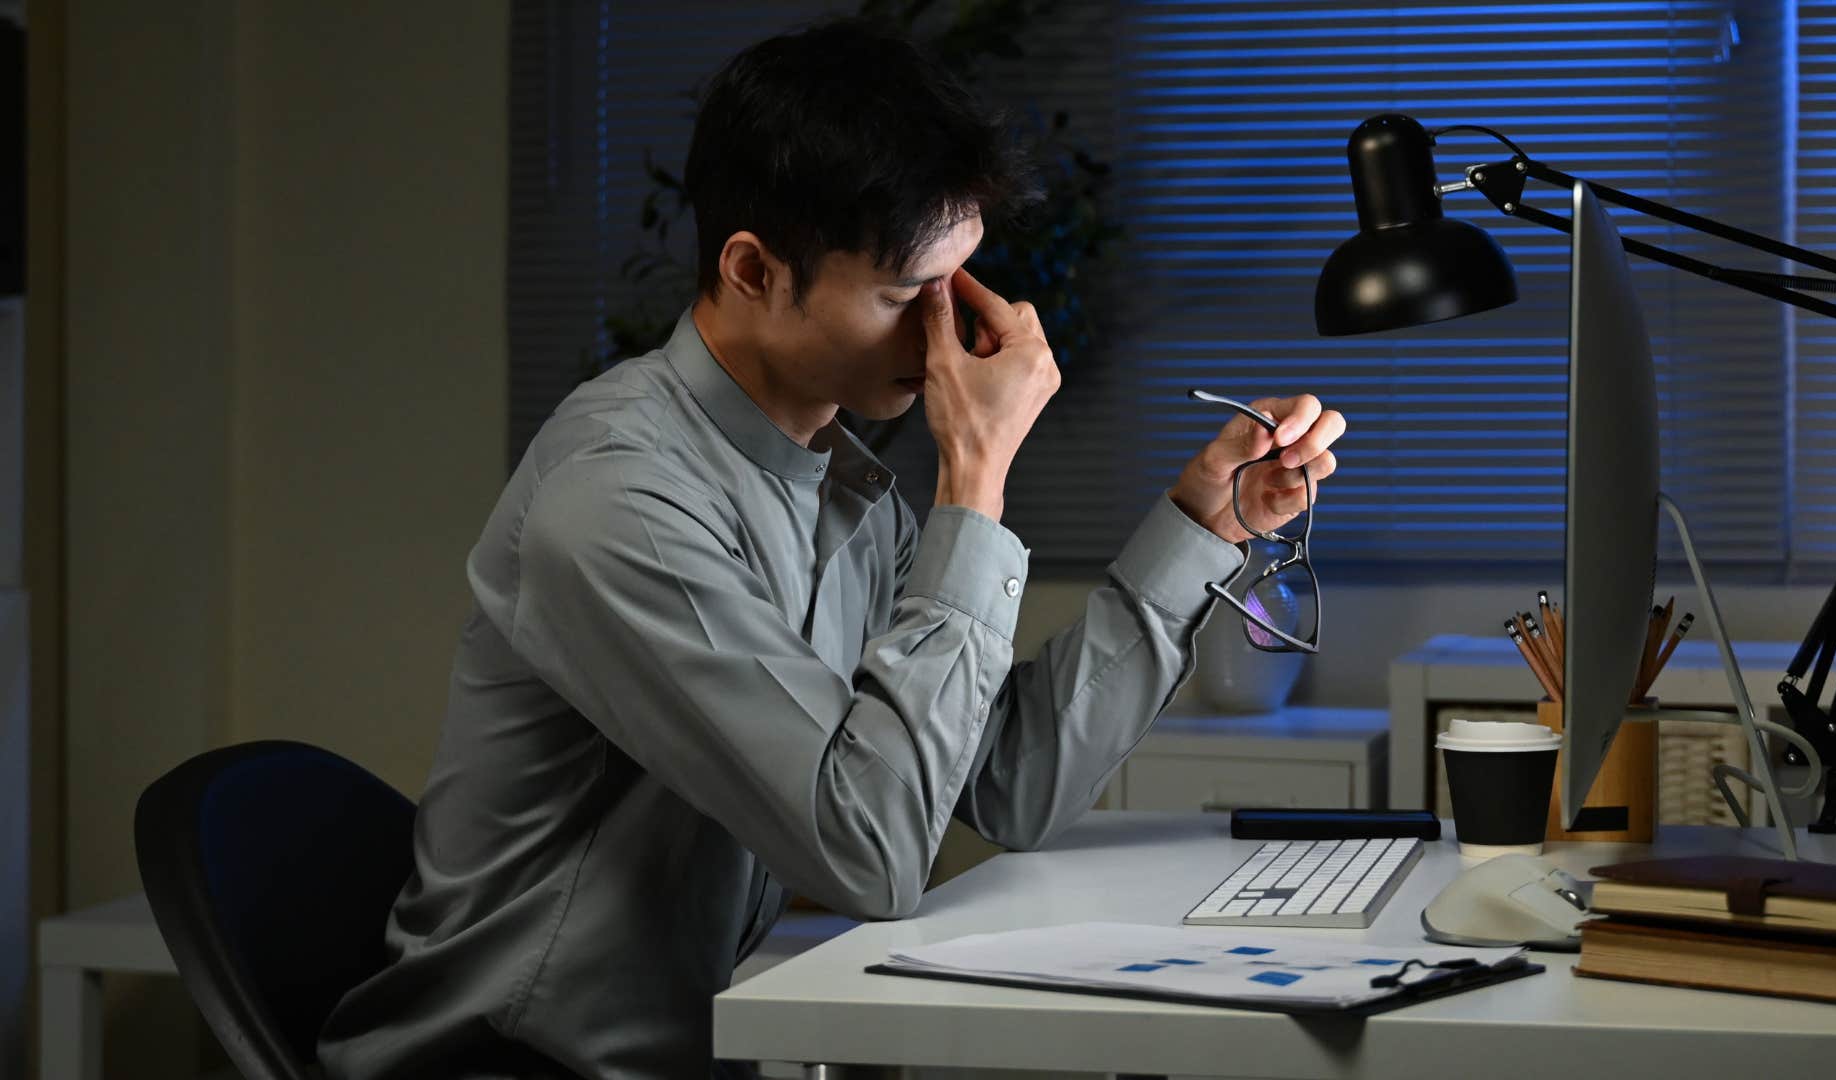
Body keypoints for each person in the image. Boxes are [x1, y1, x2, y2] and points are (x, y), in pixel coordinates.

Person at [318, 16, 1343, 1080]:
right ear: (755, 271)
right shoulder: (617, 501)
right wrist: (975, 480)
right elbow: (871, 852)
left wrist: (1203, 523)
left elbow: (1009, 782)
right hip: (503, 1068)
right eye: (907, 295)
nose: (945, 339)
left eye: (959, 285)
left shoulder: (838, 479)